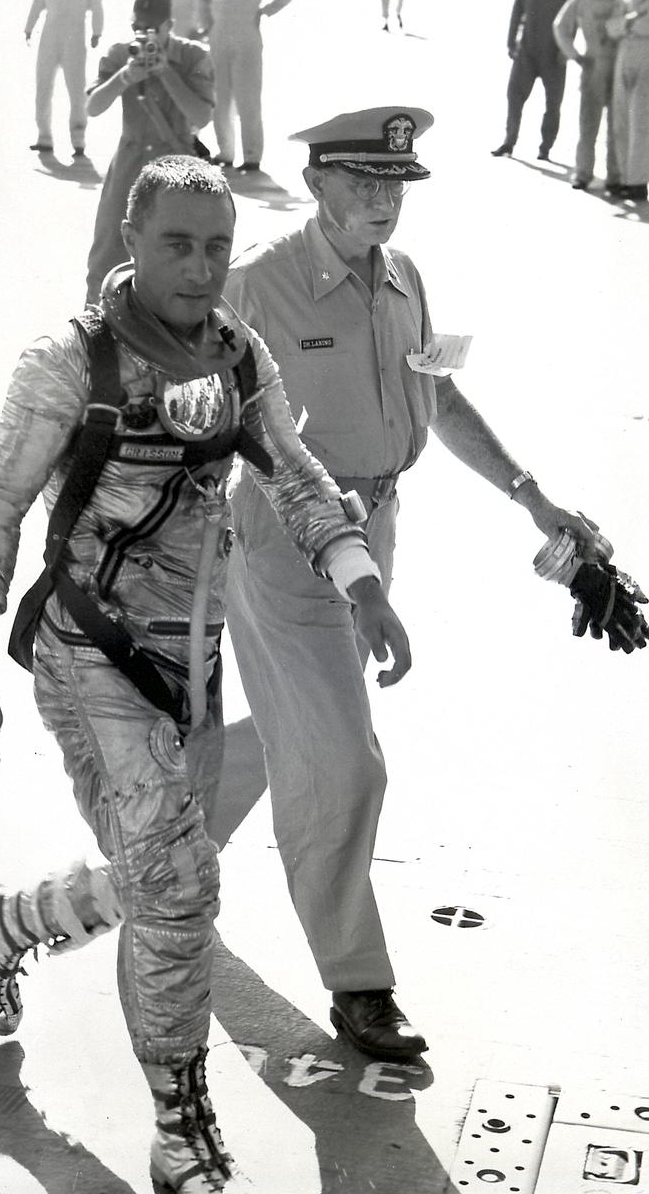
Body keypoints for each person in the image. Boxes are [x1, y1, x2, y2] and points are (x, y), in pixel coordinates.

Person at [0, 154, 411, 1193]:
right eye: (176, 245)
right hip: (84, 659)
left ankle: (11, 919)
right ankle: (179, 1121)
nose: (200, 268)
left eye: (216, 248)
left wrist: (359, 576)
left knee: (161, 876)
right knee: (184, 886)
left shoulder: (239, 359)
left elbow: (293, 471)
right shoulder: (67, 363)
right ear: (131, 243)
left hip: (187, 673)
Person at [220, 106, 630, 1061]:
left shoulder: (404, 279)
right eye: (361, 182)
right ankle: (359, 985)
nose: (382, 201)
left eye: (395, 183)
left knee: (306, 733)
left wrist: (534, 499)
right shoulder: (258, 287)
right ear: (315, 182)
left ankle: (145, 855)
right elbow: (212, 429)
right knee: (347, 762)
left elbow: (436, 393)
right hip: (285, 542)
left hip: (379, 526)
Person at [84, 0, 214, 304]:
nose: (144, 35)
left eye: (153, 28)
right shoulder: (120, 53)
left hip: (177, 169)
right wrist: (126, 76)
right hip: (130, 165)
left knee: (180, 255)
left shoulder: (193, 56)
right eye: (138, 27)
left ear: (170, 25)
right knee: (107, 257)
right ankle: (96, 332)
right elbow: (93, 106)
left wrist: (166, 73)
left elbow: (202, 115)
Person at [198, 0, 294, 171]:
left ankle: (252, 156)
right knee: (221, 99)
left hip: (247, 40)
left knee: (248, 100)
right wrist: (206, 24)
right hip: (219, 39)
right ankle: (226, 152)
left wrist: (265, 11)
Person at [492, 0, 576, 161]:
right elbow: (517, 10)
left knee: (553, 102)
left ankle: (545, 147)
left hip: (553, 52)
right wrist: (511, 42)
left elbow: (573, 18)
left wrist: (565, 50)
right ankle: (509, 142)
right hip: (527, 50)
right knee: (514, 95)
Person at [553, 0, 629, 192]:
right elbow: (560, 26)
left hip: (619, 70)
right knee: (588, 123)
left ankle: (615, 178)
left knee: (617, 126)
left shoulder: (626, 0)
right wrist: (574, 55)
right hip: (593, 65)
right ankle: (583, 173)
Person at [24, 0, 103, 157]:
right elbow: (38, 2)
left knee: (76, 90)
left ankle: (78, 140)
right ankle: (44, 137)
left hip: (75, 36)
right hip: (50, 34)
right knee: (43, 86)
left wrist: (97, 31)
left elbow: (97, 4)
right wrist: (29, 27)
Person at [609, 0, 649, 202]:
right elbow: (611, 28)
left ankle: (637, 181)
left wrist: (628, 23)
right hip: (626, 53)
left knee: (641, 120)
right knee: (622, 117)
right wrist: (629, 22)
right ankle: (625, 178)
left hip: (646, 54)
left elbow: (644, 26)